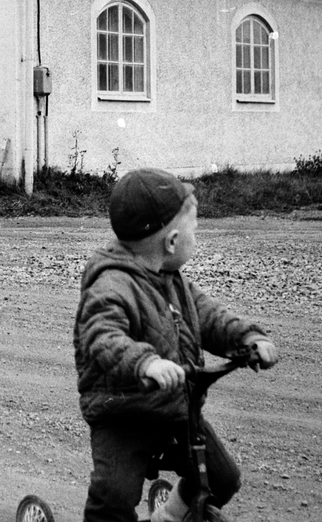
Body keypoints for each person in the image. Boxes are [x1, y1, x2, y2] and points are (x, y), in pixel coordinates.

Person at [72, 168, 278, 522]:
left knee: (222, 479)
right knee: (114, 496)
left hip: (177, 408)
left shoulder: (171, 279)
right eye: (194, 230)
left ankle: (169, 517)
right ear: (171, 242)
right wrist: (146, 363)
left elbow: (209, 316)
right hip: (124, 412)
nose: (196, 237)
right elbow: (102, 337)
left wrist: (248, 338)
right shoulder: (110, 285)